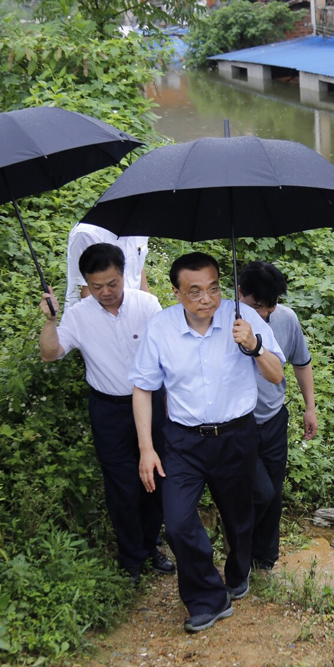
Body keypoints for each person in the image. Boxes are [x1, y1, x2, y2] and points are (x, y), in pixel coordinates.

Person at [130, 252, 286, 633]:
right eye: (194, 291)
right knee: (178, 522)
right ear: (176, 293)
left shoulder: (242, 318)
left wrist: (255, 347)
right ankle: (207, 598)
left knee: (239, 519)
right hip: (183, 441)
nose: (206, 299)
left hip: (236, 436)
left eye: (213, 288)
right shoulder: (161, 327)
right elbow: (142, 388)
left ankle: (236, 575)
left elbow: (276, 374)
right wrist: (147, 448)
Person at [38, 242, 174, 584]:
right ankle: (130, 559)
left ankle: (149, 546)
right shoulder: (79, 315)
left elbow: (170, 353)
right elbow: (51, 353)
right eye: (96, 286)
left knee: (157, 478)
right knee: (121, 487)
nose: (106, 293)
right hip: (109, 409)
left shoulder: (148, 305)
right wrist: (50, 322)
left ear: (123, 274)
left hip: (153, 403)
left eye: (112, 284)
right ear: (85, 283)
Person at [238, 261, 318, 571]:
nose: (265, 315)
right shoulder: (223, 322)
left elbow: (301, 363)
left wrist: (310, 407)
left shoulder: (285, 319)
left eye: (270, 307)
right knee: (257, 491)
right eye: (257, 307)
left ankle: (264, 560)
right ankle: (238, 550)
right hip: (237, 424)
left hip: (273, 418)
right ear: (240, 293)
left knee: (273, 493)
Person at [65, 223, 150, 311]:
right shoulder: (87, 233)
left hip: (132, 312)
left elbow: (139, 270)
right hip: (91, 315)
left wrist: (147, 307)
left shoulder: (140, 228)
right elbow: (86, 291)